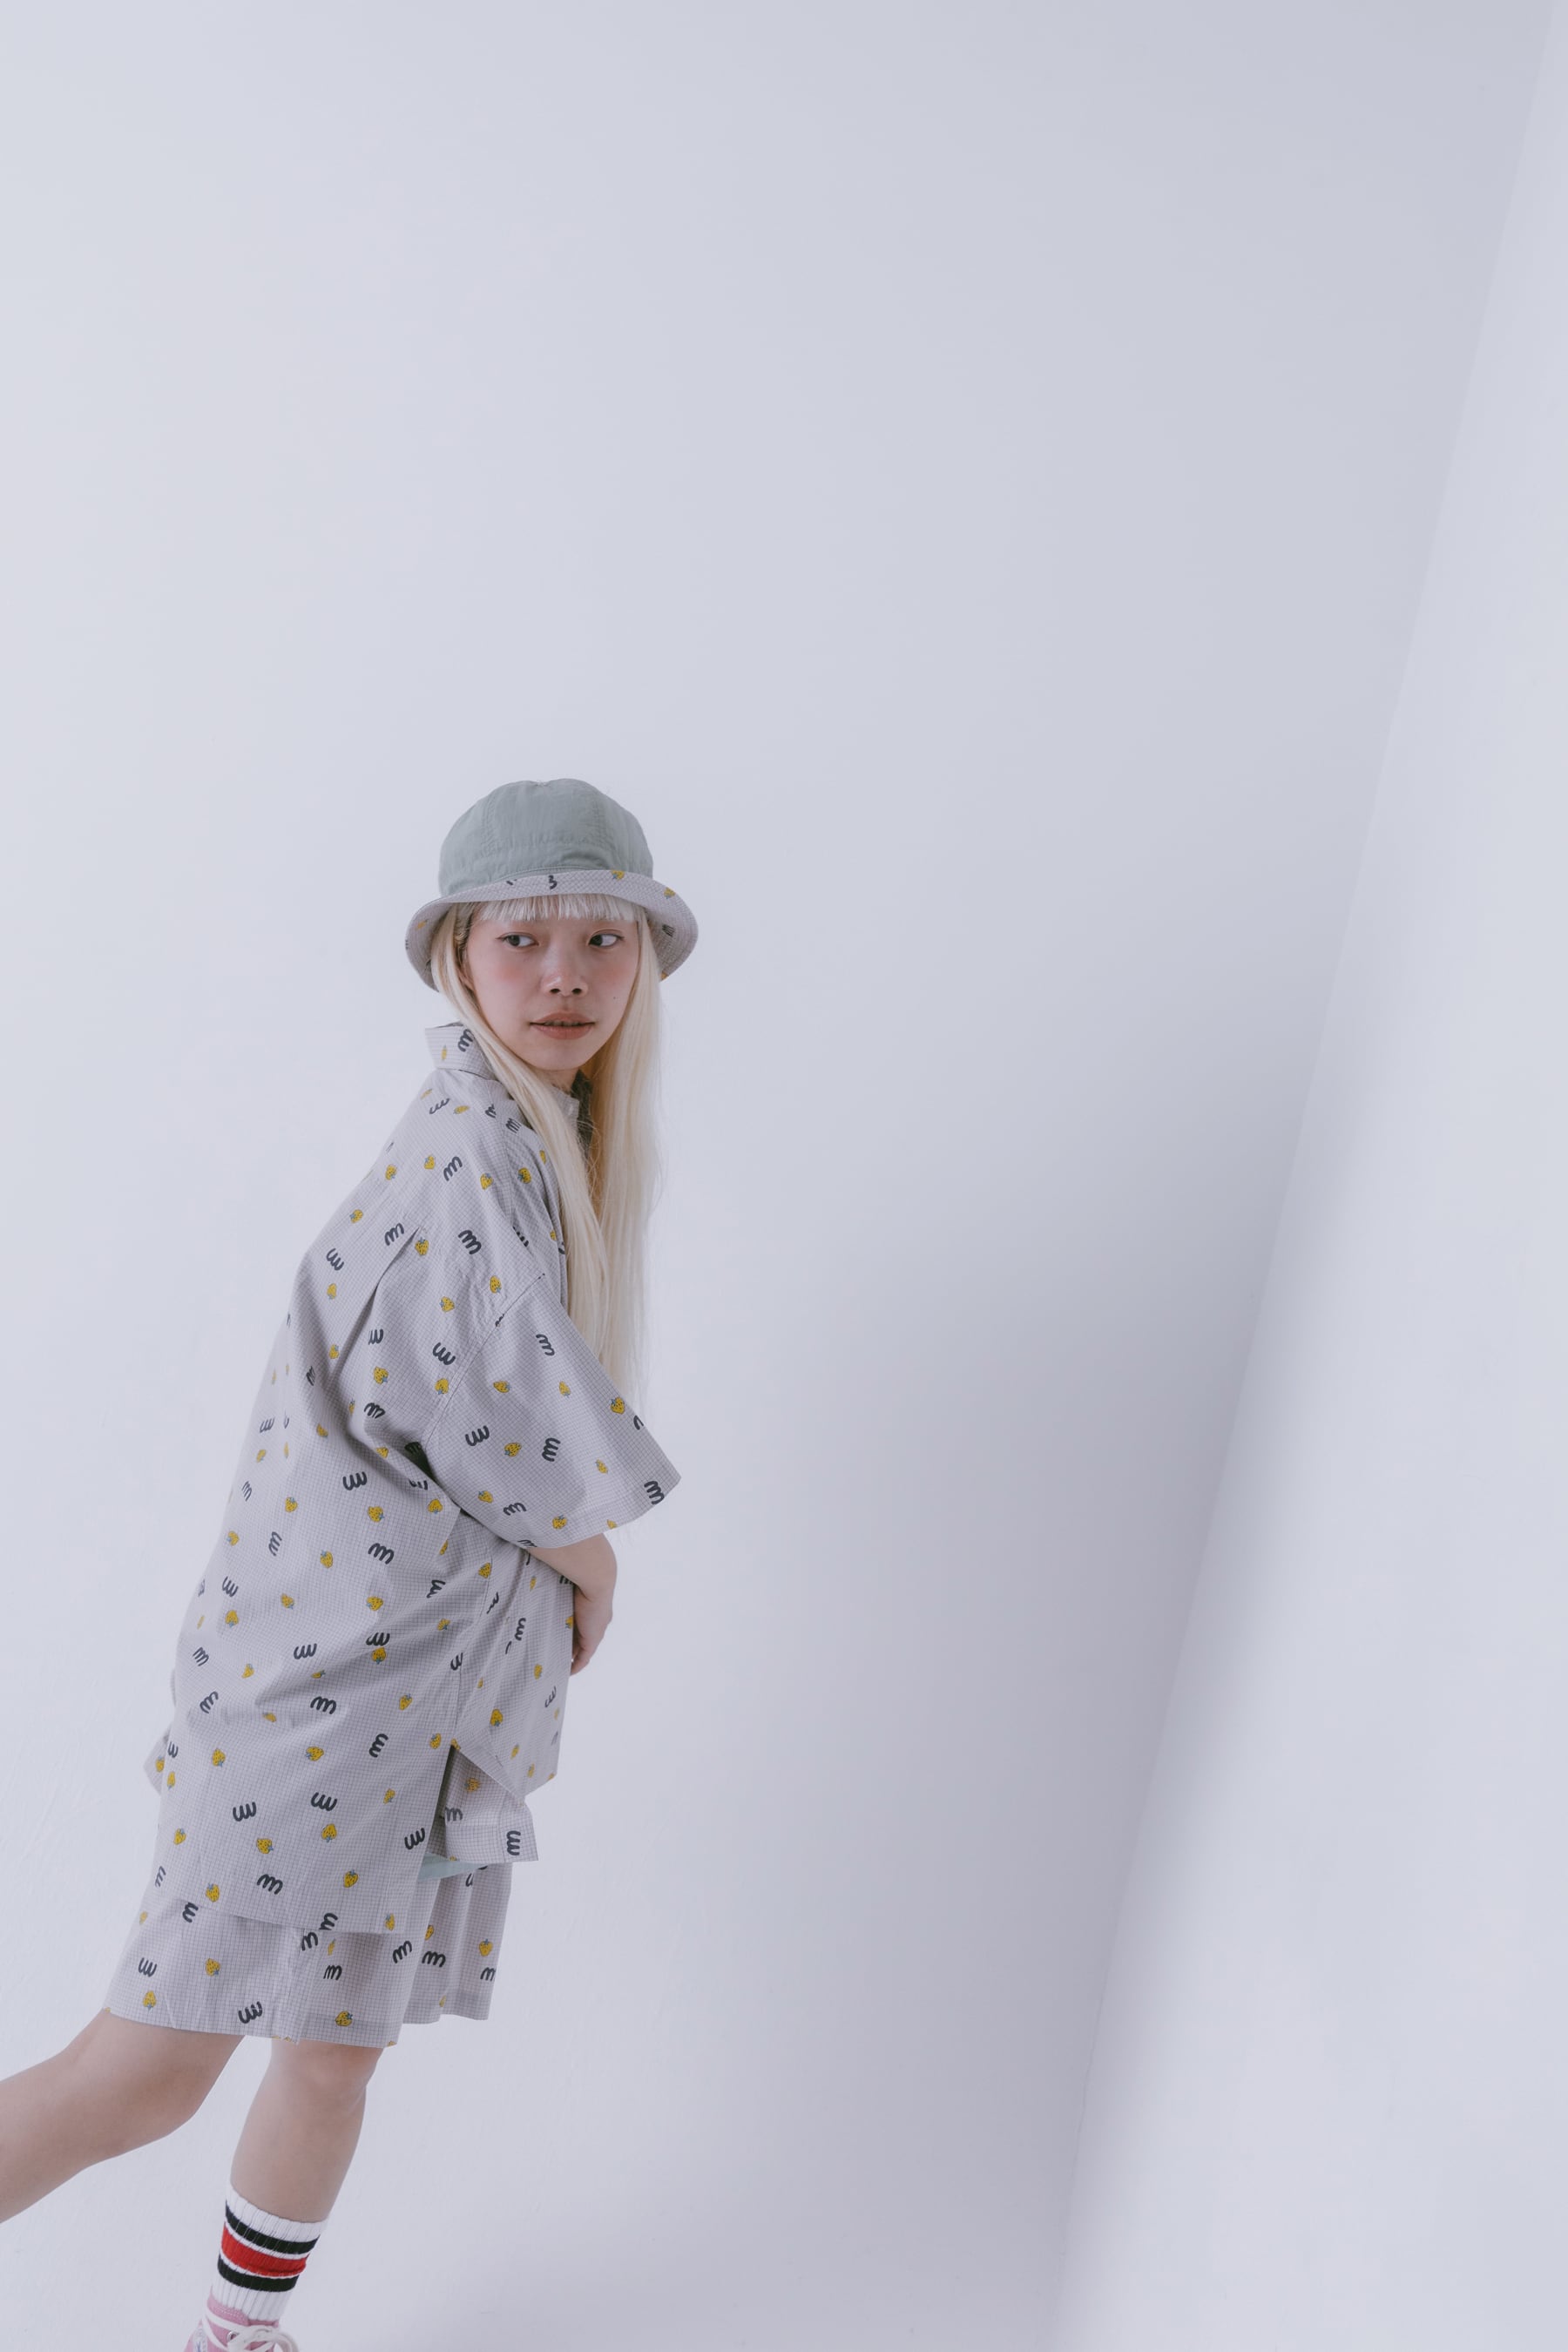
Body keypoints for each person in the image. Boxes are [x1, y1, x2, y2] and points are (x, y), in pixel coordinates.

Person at [0, 776, 698, 2351]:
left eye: (603, 940)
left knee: (329, 2057)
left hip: (397, 1710)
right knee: (143, 2075)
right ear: (459, 956)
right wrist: (593, 1565)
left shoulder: (541, 1141)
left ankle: (235, 2339)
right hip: (320, 1705)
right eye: (524, 940)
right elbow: (482, 1419)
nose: (567, 976)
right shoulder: (468, 1153)